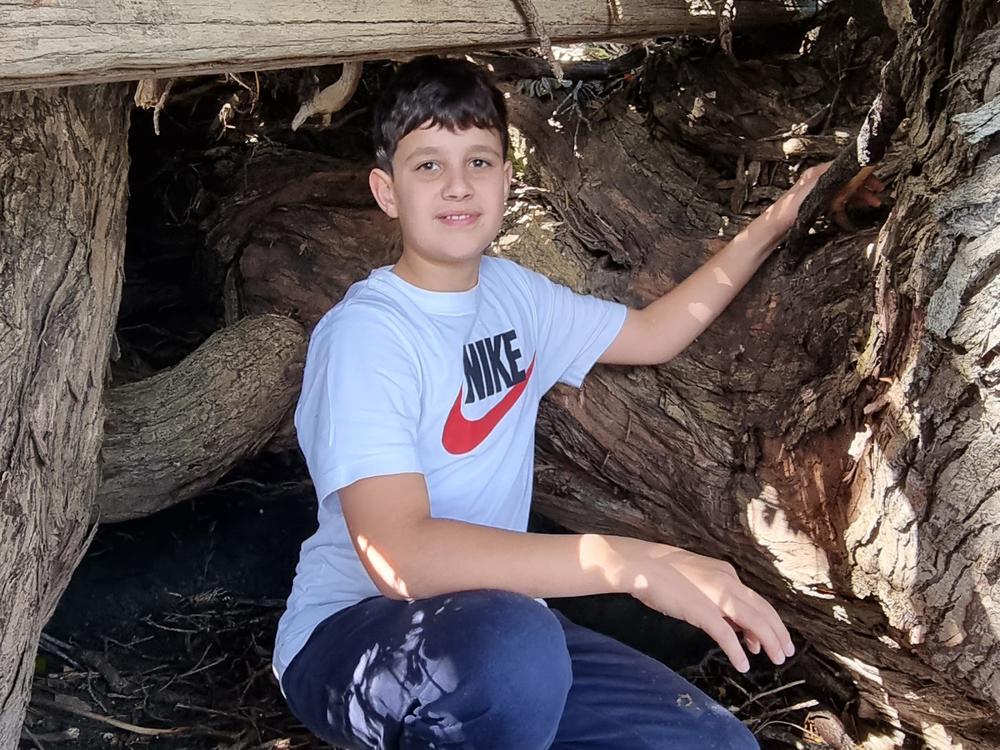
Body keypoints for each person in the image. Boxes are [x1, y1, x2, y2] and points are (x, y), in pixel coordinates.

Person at [274, 55, 881, 750]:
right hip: (356, 634)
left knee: (716, 745)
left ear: (507, 180)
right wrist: (630, 564)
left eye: (478, 162)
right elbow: (401, 557)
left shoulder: (514, 296)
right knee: (514, 656)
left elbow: (654, 334)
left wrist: (779, 219)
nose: (458, 185)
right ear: (387, 191)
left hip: (505, 626)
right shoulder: (368, 334)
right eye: (428, 165)